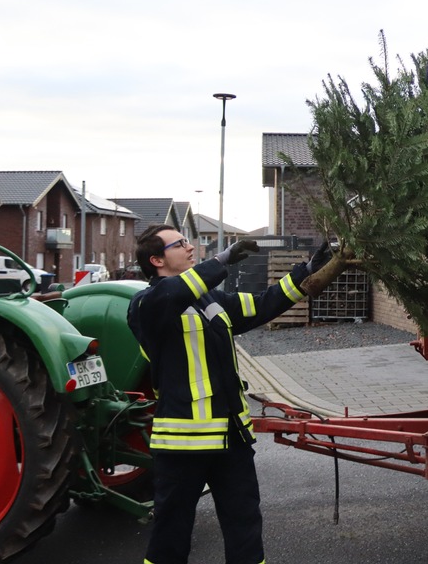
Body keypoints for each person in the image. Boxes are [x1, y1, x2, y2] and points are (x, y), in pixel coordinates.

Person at [128, 225, 331, 564]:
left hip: (231, 439)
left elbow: (260, 305)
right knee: (171, 536)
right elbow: (171, 295)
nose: (191, 248)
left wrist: (305, 273)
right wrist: (221, 261)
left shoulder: (210, 301)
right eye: (180, 244)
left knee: (245, 529)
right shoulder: (147, 306)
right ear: (156, 260)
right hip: (183, 446)